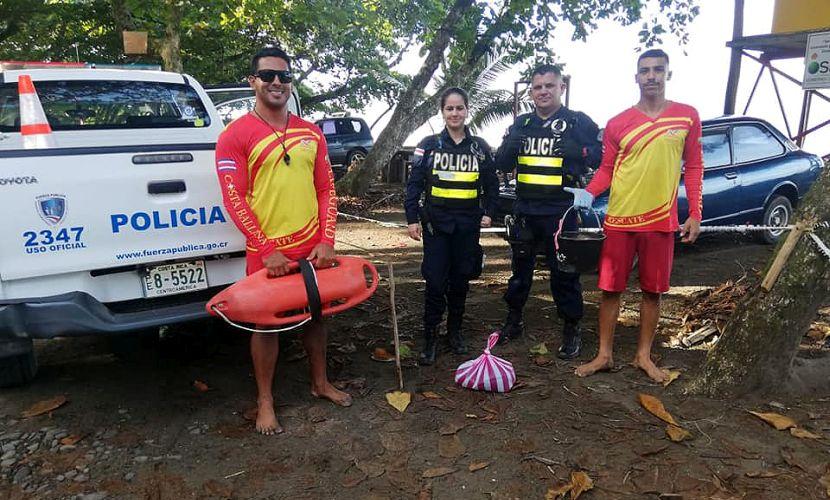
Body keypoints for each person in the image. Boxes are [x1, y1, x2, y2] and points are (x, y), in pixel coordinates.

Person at [214, 46, 351, 435]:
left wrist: (327, 239)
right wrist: (266, 249)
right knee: (266, 327)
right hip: (268, 253)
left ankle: (320, 383)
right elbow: (233, 197)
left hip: (312, 247)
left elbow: (326, 189)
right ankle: (265, 400)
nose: (277, 82)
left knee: (317, 317)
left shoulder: (311, 133)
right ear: (253, 81)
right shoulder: (235, 135)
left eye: (284, 76)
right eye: (268, 75)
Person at [568, 48, 703, 382]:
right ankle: (604, 355)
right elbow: (607, 170)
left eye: (658, 69)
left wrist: (695, 212)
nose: (652, 76)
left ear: (668, 74)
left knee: (652, 291)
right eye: (645, 70)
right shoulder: (617, 123)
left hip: (661, 221)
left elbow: (695, 166)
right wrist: (587, 193)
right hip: (619, 220)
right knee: (610, 289)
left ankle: (643, 356)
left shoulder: (686, 116)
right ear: (636, 77)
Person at [494, 64, 602, 359]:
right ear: (531, 91)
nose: (543, 91)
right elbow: (501, 164)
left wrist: (580, 152)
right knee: (520, 272)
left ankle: (571, 327)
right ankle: (513, 320)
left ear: (561, 88)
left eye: (549, 86)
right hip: (526, 209)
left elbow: (601, 156)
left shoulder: (577, 122)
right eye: (537, 87)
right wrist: (507, 149)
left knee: (564, 272)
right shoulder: (522, 124)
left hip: (560, 211)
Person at [404, 87, 500, 365]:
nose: (455, 113)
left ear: (467, 110)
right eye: (450, 108)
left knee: (460, 281)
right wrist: (412, 218)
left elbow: (491, 184)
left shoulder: (479, 147)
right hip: (437, 227)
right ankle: (430, 337)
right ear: (442, 111)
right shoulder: (429, 144)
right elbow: (414, 185)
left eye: (459, 108)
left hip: (467, 227)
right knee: (435, 282)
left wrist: (489, 212)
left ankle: (454, 332)